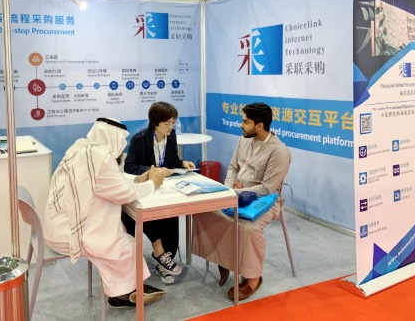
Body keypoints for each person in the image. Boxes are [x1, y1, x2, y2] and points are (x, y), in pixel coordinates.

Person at [44, 118, 167, 308]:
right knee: (123, 245)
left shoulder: (81, 148)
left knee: (122, 237)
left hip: (56, 225)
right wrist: (152, 184)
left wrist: (137, 180)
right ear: (114, 137)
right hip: (69, 232)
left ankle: (125, 288)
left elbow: (108, 182)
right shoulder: (101, 158)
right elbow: (124, 194)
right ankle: (123, 294)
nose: (123, 145)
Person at [191, 102, 291, 301]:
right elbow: (233, 168)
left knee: (248, 228)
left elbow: (267, 189)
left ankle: (253, 278)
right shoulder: (244, 140)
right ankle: (225, 259)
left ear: (259, 126)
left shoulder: (279, 152)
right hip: (234, 193)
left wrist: (235, 192)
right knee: (204, 211)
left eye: (245, 122)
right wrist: (227, 190)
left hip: (264, 201)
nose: (241, 125)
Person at [123, 101, 196, 284]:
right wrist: (152, 171)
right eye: (167, 123)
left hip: (165, 188)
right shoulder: (139, 139)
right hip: (146, 189)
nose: (171, 127)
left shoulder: (171, 137)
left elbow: (173, 160)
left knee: (172, 214)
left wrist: (182, 163)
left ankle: (165, 259)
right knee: (152, 215)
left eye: (173, 123)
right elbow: (129, 166)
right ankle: (160, 254)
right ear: (155, 122)